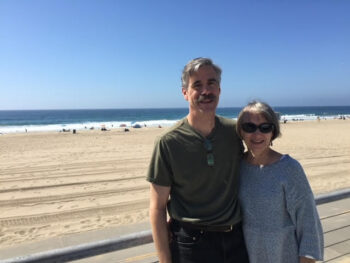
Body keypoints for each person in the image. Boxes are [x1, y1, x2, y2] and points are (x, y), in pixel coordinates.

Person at [147, 58, 249, 263]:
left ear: (219, 89)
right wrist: (165, 260)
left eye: (211, 83)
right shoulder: (168, 142)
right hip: (191, 244)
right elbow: (157, 208)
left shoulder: (235, 131)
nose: (206, 91)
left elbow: (259, 159)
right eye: (197, 85)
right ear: (185, 93)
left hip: (237, 239)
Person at [236, 101, 324, 263]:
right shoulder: (237, 166)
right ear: (241, 131)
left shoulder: (289, 168)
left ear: (273, 131)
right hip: (246, 255)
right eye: (249, 127)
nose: (257, 134)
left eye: (265, 127)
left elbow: (309, 224)